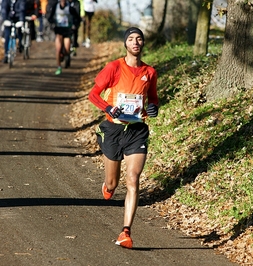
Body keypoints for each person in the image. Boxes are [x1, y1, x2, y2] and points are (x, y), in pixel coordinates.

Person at [88, 27, 159, 249]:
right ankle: (107, 186)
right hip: (113, 130)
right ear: (125, 44)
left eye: (139, 38)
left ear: (143, 44)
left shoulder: (150, 72)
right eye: (131, 39)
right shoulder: (114, 67)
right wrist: (109, 108)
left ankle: (125, 231)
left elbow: (154, 99)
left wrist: (154, 108)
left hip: (137, 130)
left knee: (133, 179)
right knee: (113, 182)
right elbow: (93, 94)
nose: (135, 42)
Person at [47, 0, 80, 75]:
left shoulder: (70, 8)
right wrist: (52, 23)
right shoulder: (56, 6)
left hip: (67, 31)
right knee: (58, 50)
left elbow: (77, 18)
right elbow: (50, 17)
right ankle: (59, 67)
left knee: (67, 50)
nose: (63, 2)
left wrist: (75, 25)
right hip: (58, 30)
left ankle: (65, 56)